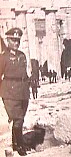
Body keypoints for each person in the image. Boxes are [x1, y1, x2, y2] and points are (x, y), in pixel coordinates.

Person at [0, 28, 30, 156]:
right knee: (18, 119)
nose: (16, 43)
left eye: (18, 40)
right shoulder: (3, 57)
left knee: (20, 119)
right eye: (13, 40)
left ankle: (15, 143)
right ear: (7, 41)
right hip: (10, 92)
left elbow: (24, 73)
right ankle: (20, 145)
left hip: (23, 91)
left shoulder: (22, 55)